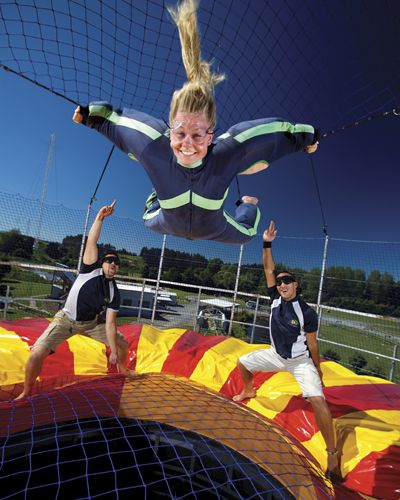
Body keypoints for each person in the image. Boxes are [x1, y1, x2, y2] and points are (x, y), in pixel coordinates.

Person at [73, 0, 319, 245]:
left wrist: (306, 139)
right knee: (148, 218)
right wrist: (89, 116)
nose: (187, 144)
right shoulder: (152, 144)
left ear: (210, 136)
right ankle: (156, 197)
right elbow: (117, 122)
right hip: (166, 221)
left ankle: (248, 204)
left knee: (246, 235)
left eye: (198, 135)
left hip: (214, 227)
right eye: (180, 133)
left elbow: (273, 136)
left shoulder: (229, 152)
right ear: (170, 131)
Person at [233, 220, 342, 481]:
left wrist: (317, 370)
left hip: (300, 361)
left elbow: (313, 344)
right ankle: (249, 389)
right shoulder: (274, 299)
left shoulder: (307, 313)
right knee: (241, 362)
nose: (282, 284)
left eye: (287, 281)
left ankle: (333, 454)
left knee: (317, 399)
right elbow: (268, 267)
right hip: (275, 355)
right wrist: (267, 242)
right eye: (279, 281)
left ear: (297, 285)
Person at [15, 201, 134, 400]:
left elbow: (111, 324)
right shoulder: (90, 269)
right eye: (109, 260)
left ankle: (123, 369)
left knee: (122, 343)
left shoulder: (114, 291)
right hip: (66, 320)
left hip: (91, 324)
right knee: (36, 354)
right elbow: (92, 242)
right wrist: (100, 217)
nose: (113, 263)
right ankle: (26, 392)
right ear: (102, 263)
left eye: (117, 263)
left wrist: (113, 350)